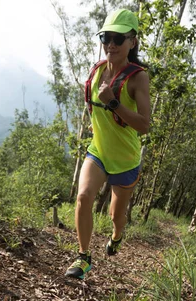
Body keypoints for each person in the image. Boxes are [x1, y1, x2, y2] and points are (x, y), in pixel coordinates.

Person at [65, 8, 150, 279]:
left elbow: (145, 125)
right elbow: (92, 106)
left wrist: (113, 101)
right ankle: (83, 257)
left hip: (125, 160)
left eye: (118, 38)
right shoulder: (96, 71)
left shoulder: (138, 77)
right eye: (105, 37)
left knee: (116, 216)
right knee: (82, 197)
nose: (110, 44)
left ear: (132, 42)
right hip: (98, 152)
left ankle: (116, 236)